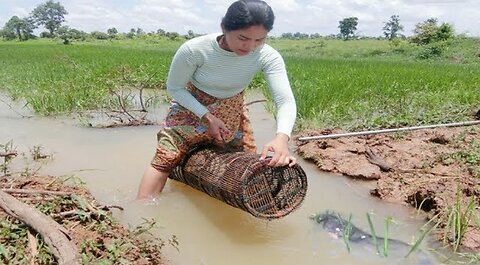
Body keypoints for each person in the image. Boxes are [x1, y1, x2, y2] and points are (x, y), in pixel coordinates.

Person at [136, 0, 297, 199]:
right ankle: (142, 213)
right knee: (165, 158)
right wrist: (208, 117)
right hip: (191, 109)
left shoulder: (267, 56)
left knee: (243, 164)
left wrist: (282, 138)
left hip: (231, 111)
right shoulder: (195, 50)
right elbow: (175, 88)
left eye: (259, 40)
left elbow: (285, 100)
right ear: (224, 28)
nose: (250, 46)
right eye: (243, 38)